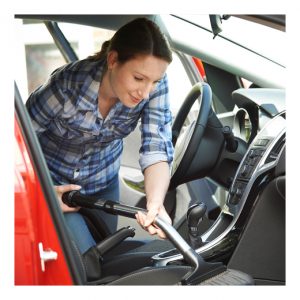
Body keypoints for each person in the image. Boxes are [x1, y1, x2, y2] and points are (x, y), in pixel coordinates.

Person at [26, 17, 174, 254]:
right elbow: (18, 143)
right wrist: (41, 192)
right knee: (85, 263)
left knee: (104, 256)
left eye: (154, 82)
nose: (146, 93)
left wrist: (155, 204)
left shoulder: (156, 84)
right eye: (138, 79)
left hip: (103, 182)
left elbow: (156, 147)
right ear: (113, 60)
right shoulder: (66, 85)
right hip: (55, 185)